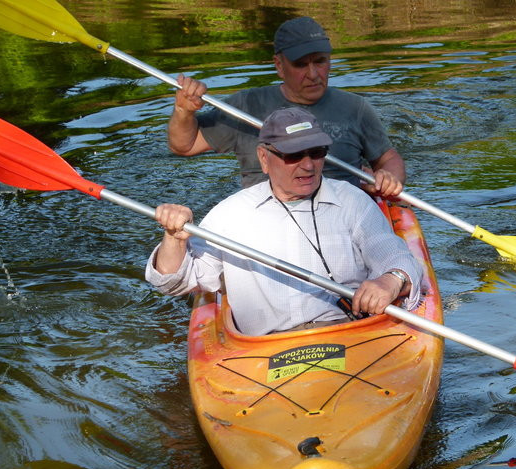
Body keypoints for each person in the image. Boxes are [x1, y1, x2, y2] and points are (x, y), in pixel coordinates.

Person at [147, 108, 421, 336]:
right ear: (264, 159)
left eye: (316, 152)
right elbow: (172, 283)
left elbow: (400, 260)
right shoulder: (229, 215)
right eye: (293, 155)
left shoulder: (352, 201)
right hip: (264, 351)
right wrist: (173, 237)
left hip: (349, 333)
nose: (308, 165)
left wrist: (390, 280)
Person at [168, 16, 405, 196]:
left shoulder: (355, 107)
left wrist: (389, 179)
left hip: (341, 214)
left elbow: (387, 158)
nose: (313, 74)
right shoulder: (245, 105)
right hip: (267, 218)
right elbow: (184, 146)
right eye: (301, 65)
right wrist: (184, 111)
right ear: (279, 66)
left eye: (320, 62)